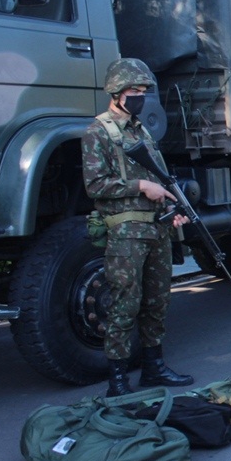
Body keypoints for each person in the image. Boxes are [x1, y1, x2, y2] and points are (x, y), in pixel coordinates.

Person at [81, 58, 194, 396]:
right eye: (134, 90)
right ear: (116, 92)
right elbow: (95, 185)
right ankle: (118, 381)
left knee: (157, 300)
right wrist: (140, 188)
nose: (140, 96)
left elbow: (159, 178)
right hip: (126, 231)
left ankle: (154, 367)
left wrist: (174, 205)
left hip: (156, 229)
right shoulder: (97, 132)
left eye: (144, 91)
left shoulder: (141, 130)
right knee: (124, 302)